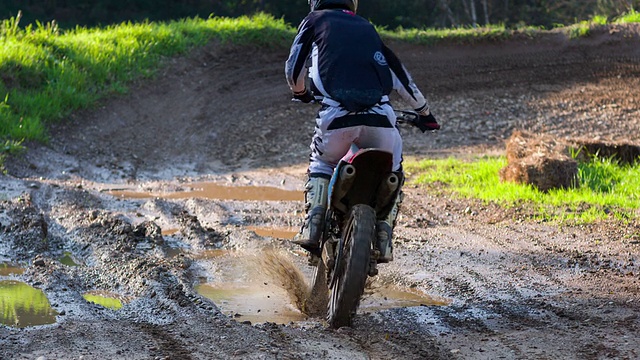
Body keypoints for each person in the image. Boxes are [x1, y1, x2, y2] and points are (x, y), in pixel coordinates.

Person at [284, 0, 439, 262]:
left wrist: (300, 92)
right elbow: (401, 78)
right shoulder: (367, 28)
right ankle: (384, 235)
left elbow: (293, 66)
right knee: (395, 169)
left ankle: (313, 224)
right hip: (381, 122)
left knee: (321, 162)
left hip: (336, 120)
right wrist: (425, 114)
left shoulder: (314, 21)